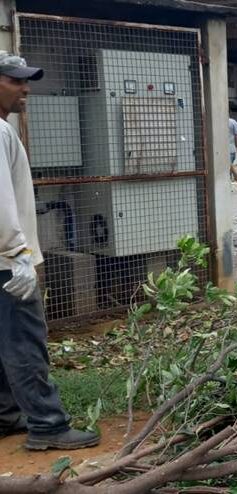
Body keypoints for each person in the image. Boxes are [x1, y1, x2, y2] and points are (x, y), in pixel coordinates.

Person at [0, 52, 101, 449]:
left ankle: (7, 415)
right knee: (25, 341)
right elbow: (1, 203)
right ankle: (47, 425)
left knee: (4, 342)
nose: (26, 88)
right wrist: (18, 255)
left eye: (26, 81)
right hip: (7, 263)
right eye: (15, 81)